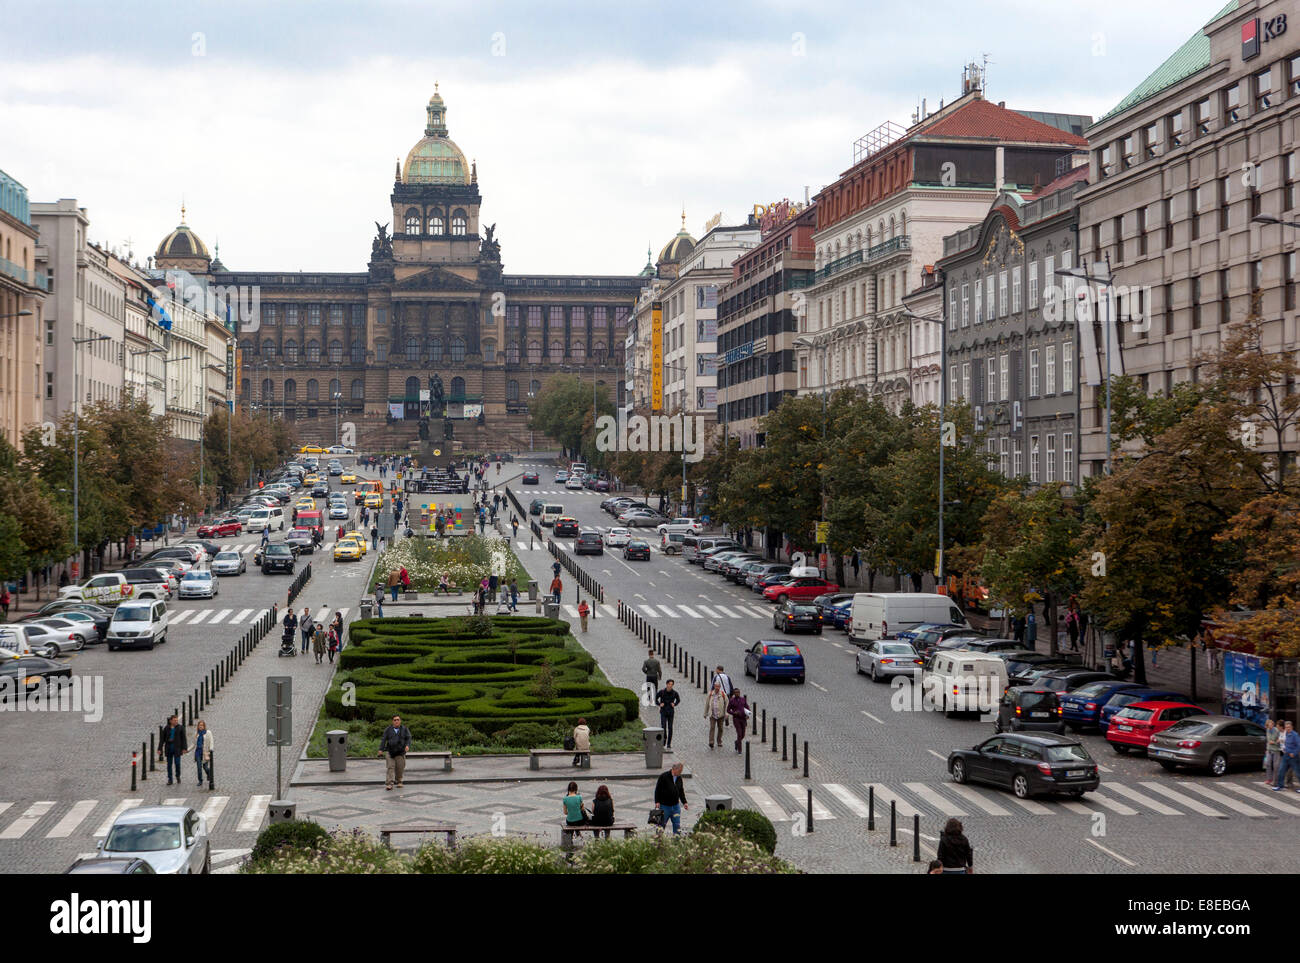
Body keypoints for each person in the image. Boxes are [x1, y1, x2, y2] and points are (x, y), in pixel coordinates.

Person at [653, 763, 688, 835]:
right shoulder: (664, 776)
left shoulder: (679, 778)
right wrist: (657, 801)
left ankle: (676, 841)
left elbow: (681, 790)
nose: (680, 773)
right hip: (664, 806)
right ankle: (658, 842)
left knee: (677, 825)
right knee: (661, 826)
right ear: (674, 769)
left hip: (676, 806)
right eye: (679, 771)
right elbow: (658, 790)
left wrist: (684, 802)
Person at [378, 714, 411, 790]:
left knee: (400, 768)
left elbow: (408, 738)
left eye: (398, 720)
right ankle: (389, 783)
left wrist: (407, 745)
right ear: (392, 721)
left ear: (400, 721)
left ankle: (399, 781)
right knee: (390, 767)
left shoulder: (405, 729)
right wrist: (381, 749)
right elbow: (383, 740)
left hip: (400, 752)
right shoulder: (388, 729)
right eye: (395, 720)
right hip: (390, 751)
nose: (396, 721)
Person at [160, 714, 188, 786]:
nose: (176, 722)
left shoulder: (180, 728)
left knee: (177, 763)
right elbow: (162, 739)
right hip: (169, 748)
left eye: (177, 720)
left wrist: (184, 748)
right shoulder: (166, 728)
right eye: (174, 720)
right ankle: (170, 779)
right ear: (171, 721)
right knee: (169, 765)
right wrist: (159, 748)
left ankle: (177, 775)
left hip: (177, 748)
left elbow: (184, 738)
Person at [1272, 720, 1300, 792]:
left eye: (1289, 727)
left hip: (1293, 757)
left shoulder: (1295, 735)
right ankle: (1280, 786)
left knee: (1297, 772)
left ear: (1292, 727)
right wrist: (1284, 749)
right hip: (1286, 756)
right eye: (1286, 727)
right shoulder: (1286, 734)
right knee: (1281, 771)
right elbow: (1285, 743)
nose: (1288, 728)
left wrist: (1294, 753)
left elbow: (1299, 745)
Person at [704, 680, 728, 749]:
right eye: (716, 686)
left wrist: (726, 712)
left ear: (720, 687)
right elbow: (707, 704)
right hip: (712, 715)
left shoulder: (723, 694)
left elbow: (727, 704)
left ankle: (719, 741)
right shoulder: (710, 694)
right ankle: (711, 742)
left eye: (718, 686)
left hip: (721, 715)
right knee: (712, 728)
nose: (717, 688)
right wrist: (705, 713)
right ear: (714, 686)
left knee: (720, 728)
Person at [656, 680, 679, 749]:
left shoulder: (674, 693)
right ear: (666, 684)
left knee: (670, 728)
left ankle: (669, 743)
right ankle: (664, 738)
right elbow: (655, 698)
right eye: (669, 684)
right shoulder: (662, 691)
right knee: (663, 726)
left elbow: (678, 700)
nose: (670, 686)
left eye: (672, 684)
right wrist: (659, 704)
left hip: (671, 712)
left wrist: (674, 704)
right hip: (663, 711)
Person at [727, 687, 750, 753]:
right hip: (736, 719)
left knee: (743, 734)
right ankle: (740, 750)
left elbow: (747, 707)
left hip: (743, 719)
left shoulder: (743, 699)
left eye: (738, 692)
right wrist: (734, 713)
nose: (737, 694)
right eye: (736, 692)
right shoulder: (732, 701)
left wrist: (748, 714)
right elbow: (728, 710)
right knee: (739, 734)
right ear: (734, 693)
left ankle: (737, 742)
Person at [193, 719, 213, 787]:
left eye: (202, 725)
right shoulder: (196, 734)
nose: (200, 726)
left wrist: (211, 750)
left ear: (204, 726)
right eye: (199, 725)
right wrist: (187, 750)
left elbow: (211, 741)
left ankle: (209, 774)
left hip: (205, 753)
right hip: (198, 752)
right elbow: (193, 744)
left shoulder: (208, 733)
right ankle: (200, 780)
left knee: (205, 767)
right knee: (199, 767)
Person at [1265, 719, 1282, 786]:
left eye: (1271, 724)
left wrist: (1274, 742)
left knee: (1275, 766)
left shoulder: (1277, 730)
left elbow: (1279, 741)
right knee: (1268, 764)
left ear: (1273, 724)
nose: (1270, 726)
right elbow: (1269, 740)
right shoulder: (1268, 730)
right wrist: (1275, 742)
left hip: (1276, 750)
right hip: (1269, 749)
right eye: (1268, 725)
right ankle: (1269, 779)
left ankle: (1276, 780)